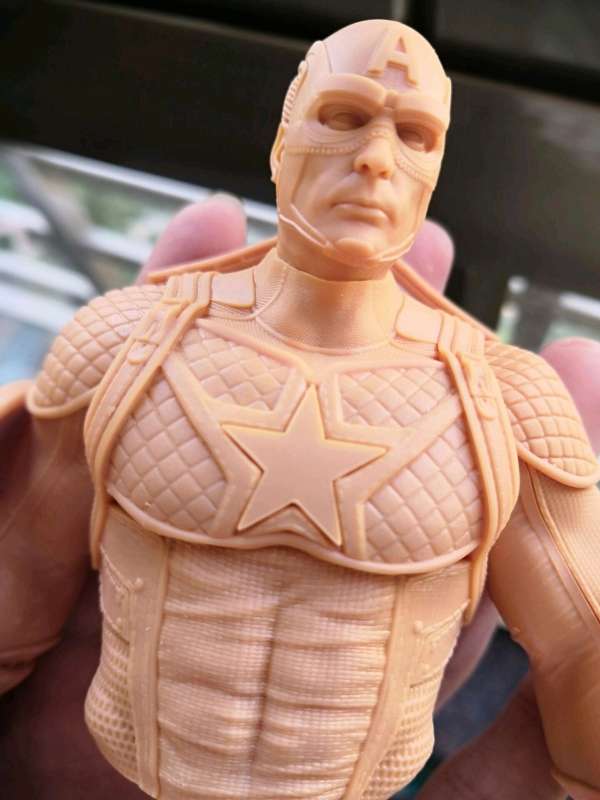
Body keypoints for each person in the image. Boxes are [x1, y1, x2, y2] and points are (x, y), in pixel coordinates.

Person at [1, 18, 600, 800]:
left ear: (434, 170)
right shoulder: (124, 343)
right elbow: (19, 566)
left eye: (414, 135)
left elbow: (583, 648)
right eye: (343, 117)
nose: (375, 158)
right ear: (283, 144)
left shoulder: (505, 400)